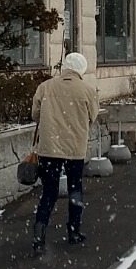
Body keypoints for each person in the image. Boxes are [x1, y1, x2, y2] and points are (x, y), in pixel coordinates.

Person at [31, 52, 99, 255]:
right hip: (74, 149)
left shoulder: (45, 87)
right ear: (81, 69)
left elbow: (35, 114)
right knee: (75, 189)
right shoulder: (87, 90)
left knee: (49, 192)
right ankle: (73, 231)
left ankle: (38, 235)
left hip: (49, 149)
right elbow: (93, 117)